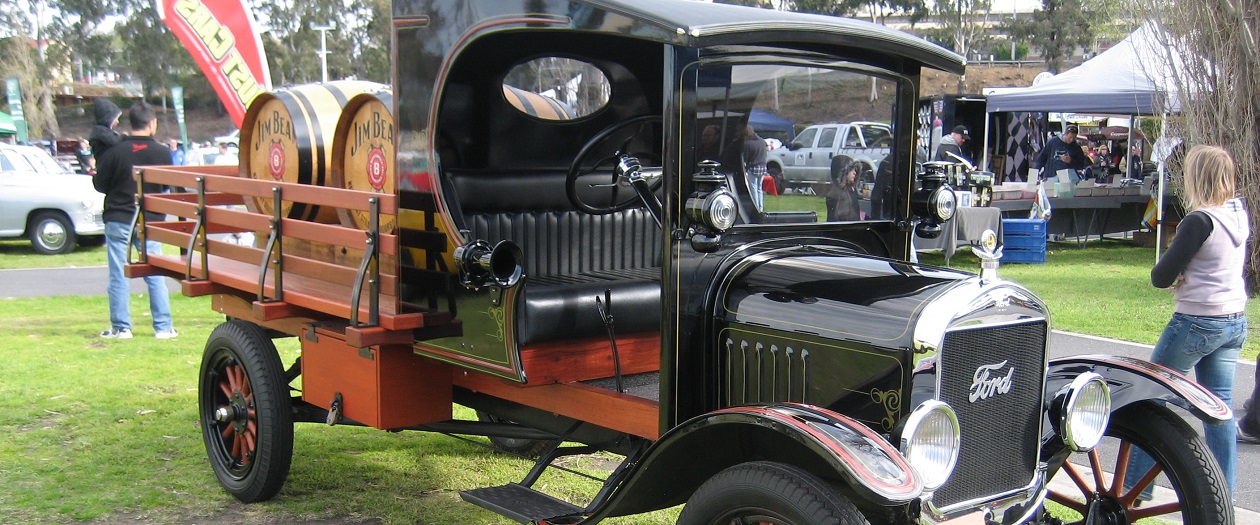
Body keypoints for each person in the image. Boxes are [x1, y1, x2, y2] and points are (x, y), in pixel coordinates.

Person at [1125, 144, 1248, 498]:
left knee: (1150, 395)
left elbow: (1160, 276)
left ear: (1197, 178)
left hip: (1197, 321)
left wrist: (1180, 273)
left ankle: (1133, 488)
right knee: (1219, 406)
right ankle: (1222, 494)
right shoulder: (1238, 215)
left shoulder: (1200, 220)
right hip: (1233, 319)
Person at [91, 101, 178, 340]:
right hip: (149, 220)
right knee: (154, 274)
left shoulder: (114, 151)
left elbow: (100, 185)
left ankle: (122, 327)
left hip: (118, 217)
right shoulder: (162, 152)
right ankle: (163, 326)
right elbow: (166, 186)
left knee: (118, 274)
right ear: (152, 123)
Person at [88, 98, 123, 166]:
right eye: (116, 118)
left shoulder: (99, 131)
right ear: (109, 118)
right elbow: (116, 142)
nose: (117, 121)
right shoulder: (101, 132)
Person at [740, 125, 767, 211]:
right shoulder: (762, 141)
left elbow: (746, 159)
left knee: (753, 188)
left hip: (753, 167)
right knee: (759, 188)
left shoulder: (748, 144)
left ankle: (756, 208)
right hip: (763, 167)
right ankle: (761, 208)